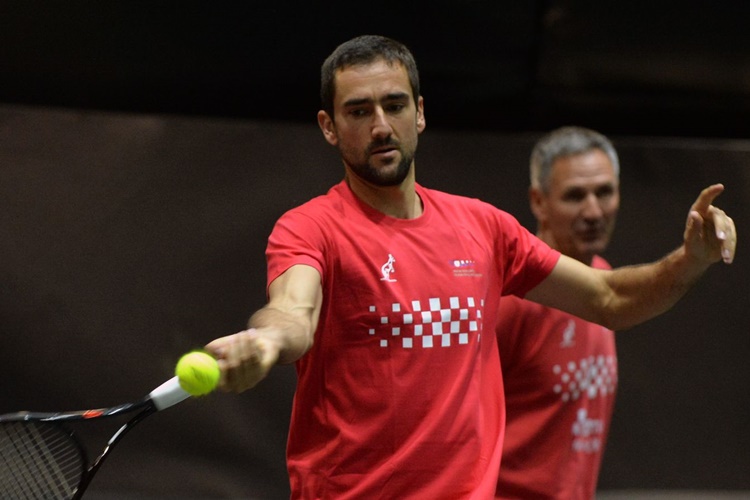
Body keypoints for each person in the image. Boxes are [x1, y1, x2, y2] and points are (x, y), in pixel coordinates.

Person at [204, 35, 736, 499]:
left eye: (393, 105)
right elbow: (294, 312)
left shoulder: (483, 227)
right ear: (329, 126)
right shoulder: (310, 228)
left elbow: (608, 298)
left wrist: (691, 260)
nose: (381, 126)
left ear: (420, 112)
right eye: (359, 111)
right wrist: (267, 342)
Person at [495, 126, 622, 499]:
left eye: (604, 192)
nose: (593, 211)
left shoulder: (602, 279)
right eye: (574, 196)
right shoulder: (512, 299)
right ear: (538, 201)